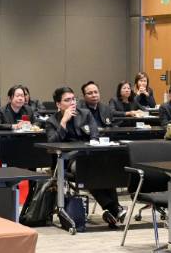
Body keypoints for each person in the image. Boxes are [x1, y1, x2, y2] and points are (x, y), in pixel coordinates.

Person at [45, 85, 124, 228]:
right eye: (67, 100)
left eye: (73, 99)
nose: (72, 103)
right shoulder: (52, 121)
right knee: (87, 169)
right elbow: (52, 144)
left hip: (89, 155)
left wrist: (93, 145)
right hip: (68, 160)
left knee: (105, 166)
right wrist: (63, 122)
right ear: (58, 104)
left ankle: (113, 210)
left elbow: (94, 134)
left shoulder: (85, 114)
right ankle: (114, 208)